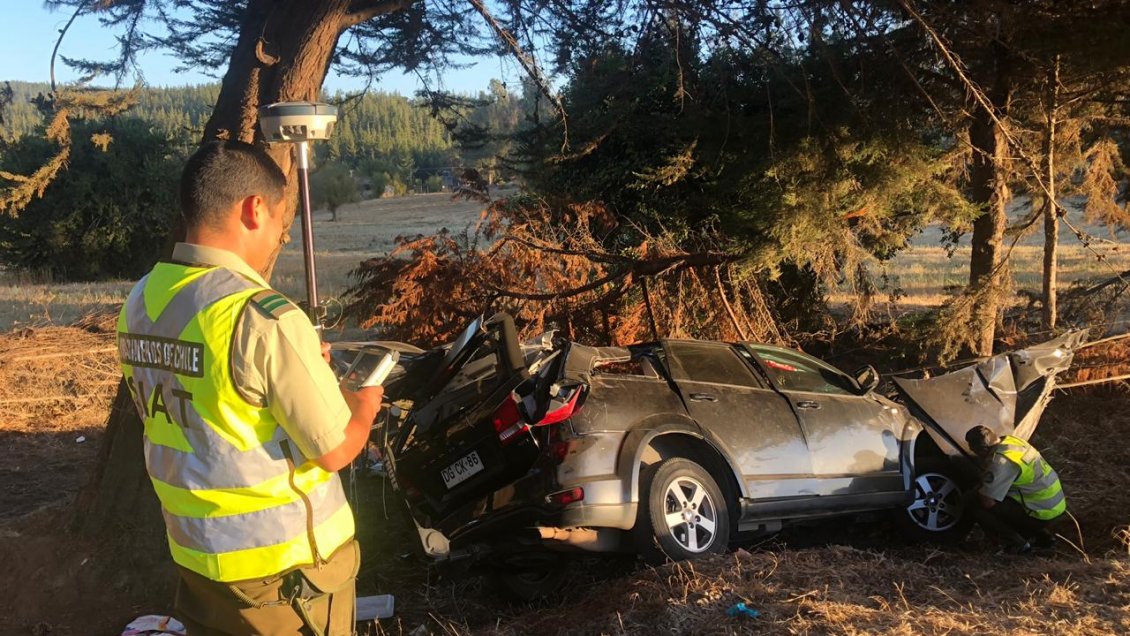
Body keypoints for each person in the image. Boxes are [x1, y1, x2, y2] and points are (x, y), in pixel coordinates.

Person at [116, 140, 383, 634]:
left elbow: (210, 407)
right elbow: (335, 449)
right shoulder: (261, 317)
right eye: (282, 223)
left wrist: (295, 370)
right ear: (254, 209)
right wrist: (364, 404)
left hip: (199, 562)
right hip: (285, 580)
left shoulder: (141, 300)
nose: (280, 236)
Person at [965, 425, 1066, 555]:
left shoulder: (1000, 462)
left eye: (975, 451)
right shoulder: (1012, 441)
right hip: (1054, 505)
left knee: (974, 502)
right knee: (1009, 494)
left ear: (983, 449)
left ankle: (1017, 543)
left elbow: (987, 501)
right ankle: (1043, 537)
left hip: (1040, 513)